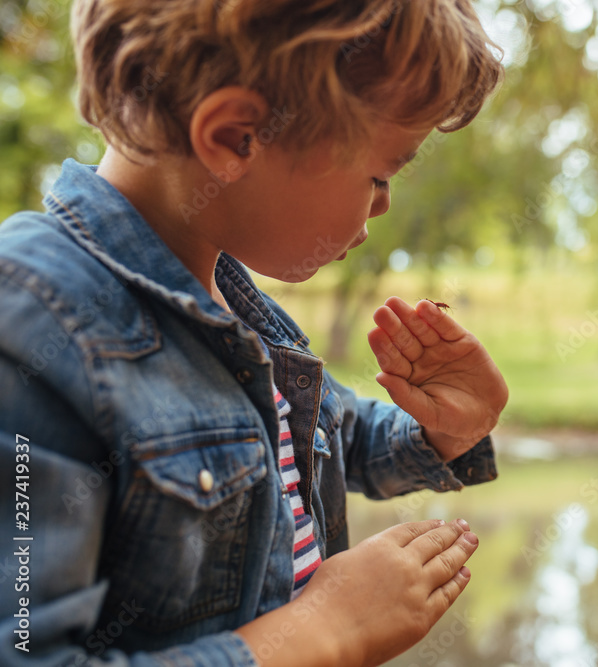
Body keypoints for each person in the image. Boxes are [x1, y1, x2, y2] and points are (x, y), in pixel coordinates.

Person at [0, 0, 508, 664]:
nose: (384, 204)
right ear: (237, 138)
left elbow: (326, 436)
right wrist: (328, 627)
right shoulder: (35, 320)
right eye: (380, 174)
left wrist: (445, 431)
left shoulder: (230, 301)